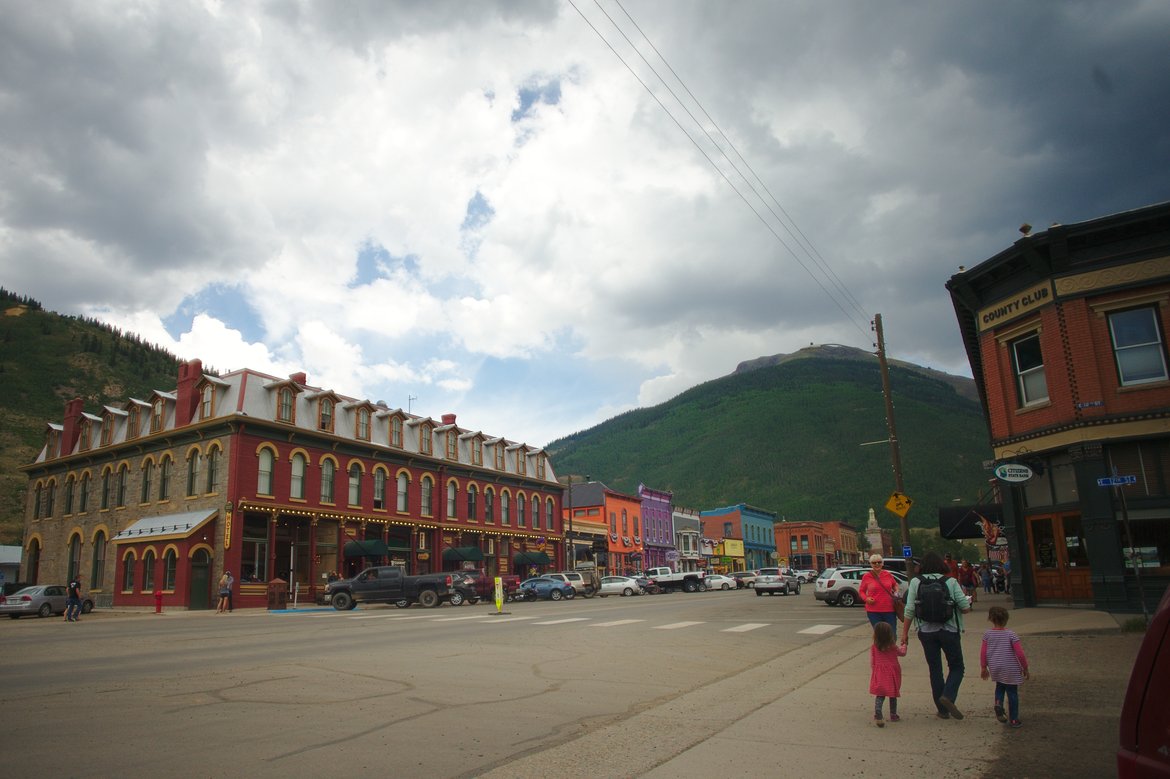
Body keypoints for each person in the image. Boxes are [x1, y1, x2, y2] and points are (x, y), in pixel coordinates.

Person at [901, 551, 972, 720]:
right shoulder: (951, 582)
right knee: (957, 666)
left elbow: (909, 609)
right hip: (949, 629)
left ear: (922, 566)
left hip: (926, 631)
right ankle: (948, 695)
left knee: (935, 669)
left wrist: (904, 634)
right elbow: (965, 608)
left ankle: (942, 710)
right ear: (942, 565)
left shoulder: (916, 582)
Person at [981, 606, 1030, 728]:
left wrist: (983, 667)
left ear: (990, 619)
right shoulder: (1011, 634)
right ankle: (1014, 719)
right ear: (1006, 619)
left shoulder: (987, 634)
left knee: (1000, 686)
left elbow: (983, 652)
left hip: (995, 666)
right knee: (1012, 693)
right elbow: (1020, 653)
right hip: (1010, 668)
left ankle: (998, 703)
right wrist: (1025, 667)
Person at [870, 621, 908, 727]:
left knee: (880, 694)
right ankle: (893, 714)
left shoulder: (874, 647)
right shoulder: (892, 647)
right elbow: (902, 653)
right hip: (891, 672)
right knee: (892, 694)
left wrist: (874, 670)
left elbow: (872, 661)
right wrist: (904, 645)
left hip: (879, 672)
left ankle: (878, 711)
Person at [859, 553, 901, 630]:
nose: (877, 564)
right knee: (879, 635)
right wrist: (866, 599)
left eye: (879, 562)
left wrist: (896, 592)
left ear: (882, 563)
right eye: (874, 563)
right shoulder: (867, 576)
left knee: (891, 634)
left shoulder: (888, 574)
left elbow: (895, 585)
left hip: (889, 610)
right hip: (873, 611)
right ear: (871, 564)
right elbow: (861, 591)